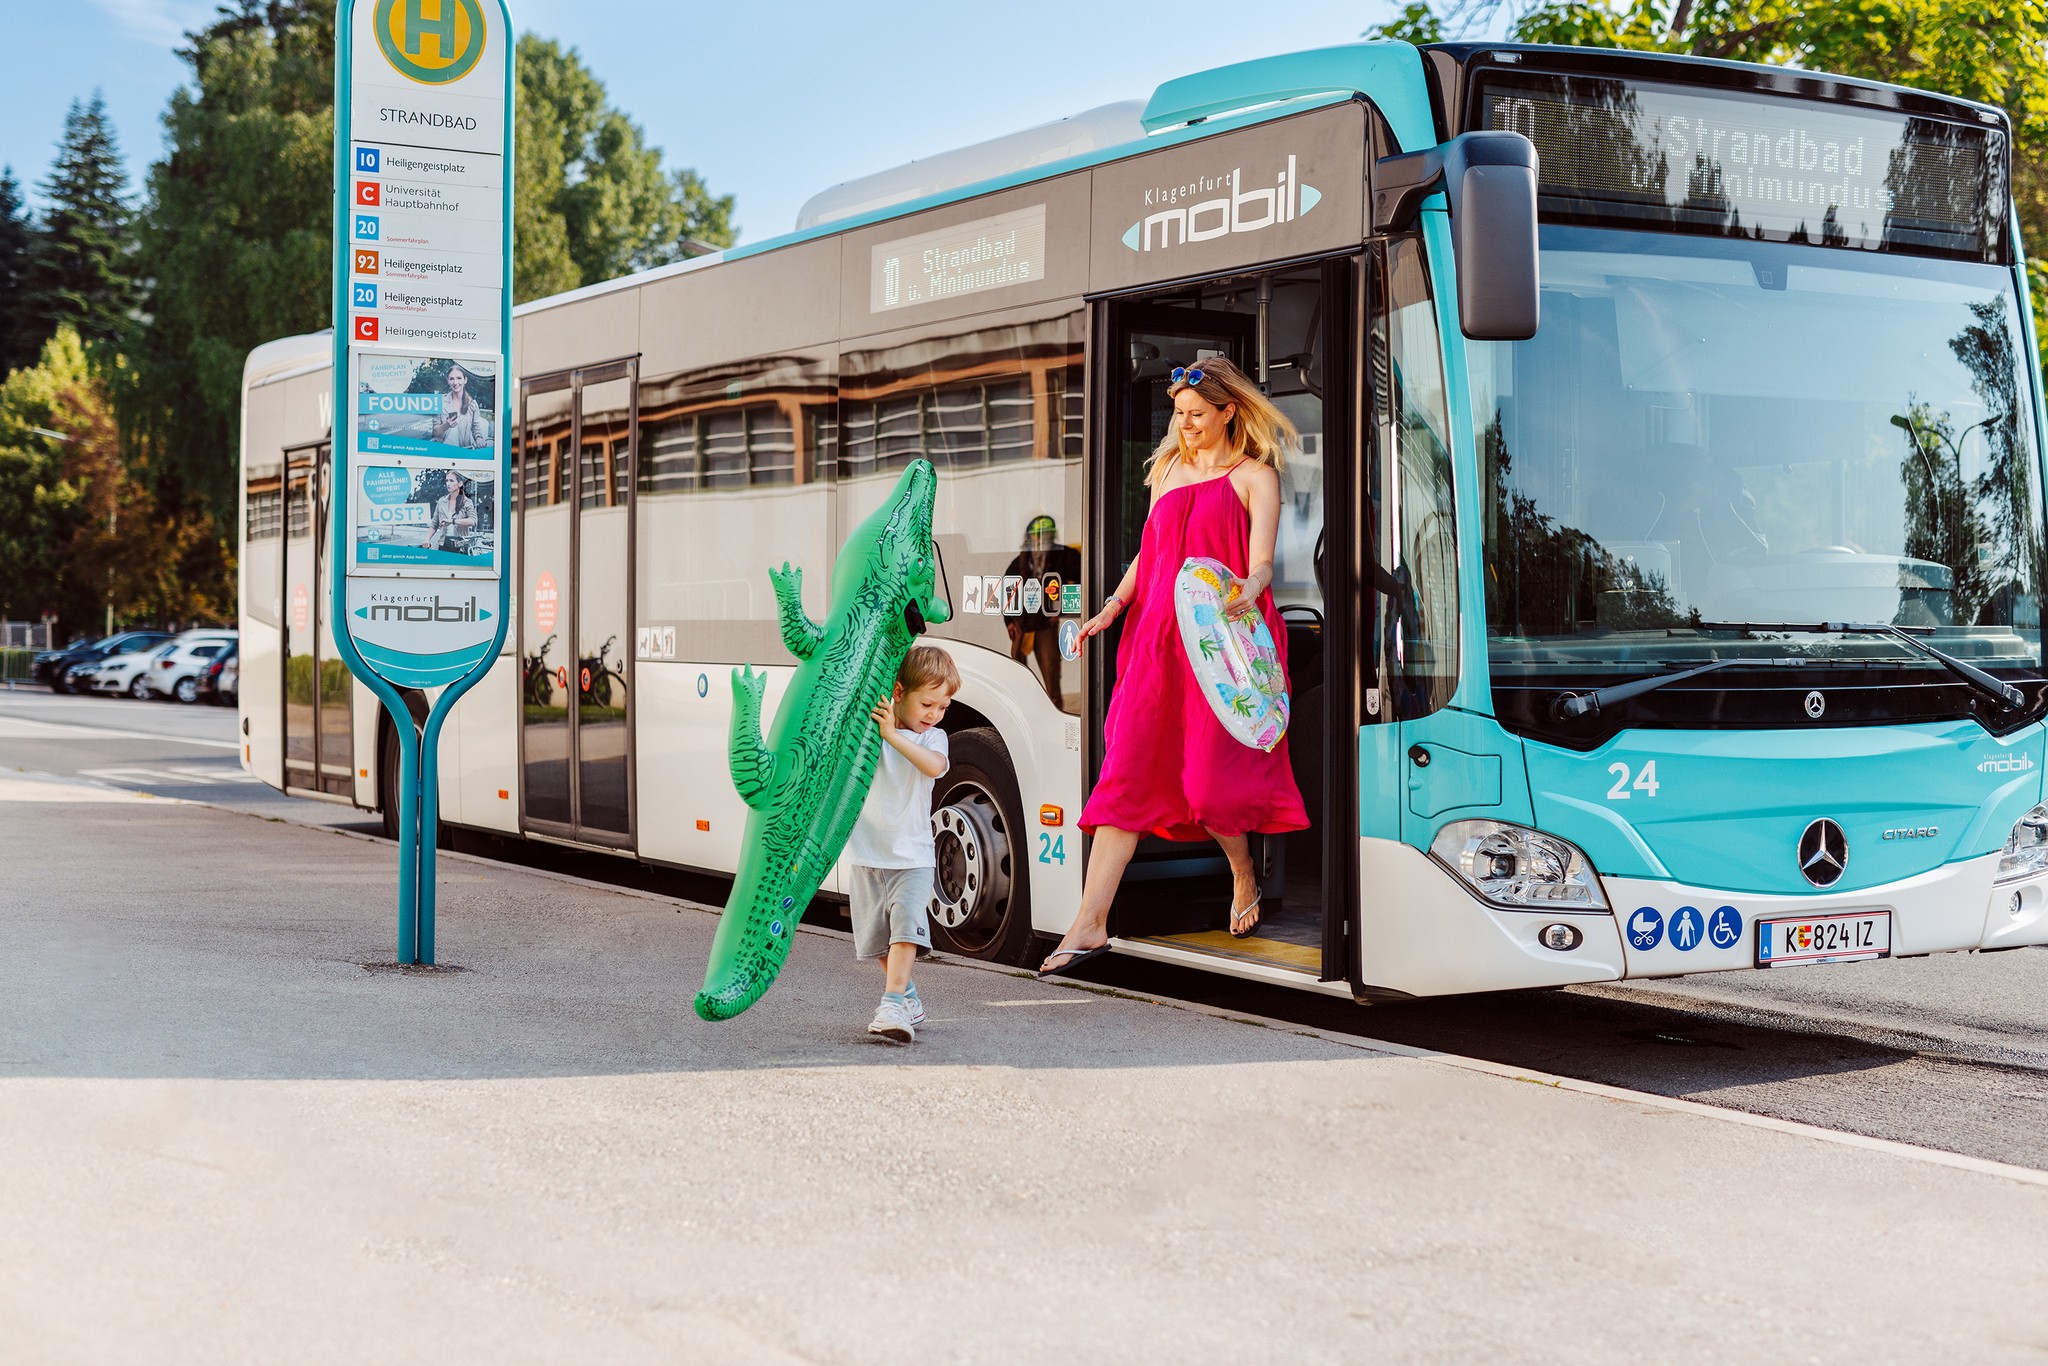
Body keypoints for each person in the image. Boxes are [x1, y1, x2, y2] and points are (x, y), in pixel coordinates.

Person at [1040, 355, 1307, 975]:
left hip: (1221, 645)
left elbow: (1262, 563)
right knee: (1125, 777)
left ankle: (1242, 869)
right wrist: (1112, 607)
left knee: (1208, 786)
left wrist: (1251, 585)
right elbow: (1148, 553)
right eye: (1179, 414)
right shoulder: (1166, 471)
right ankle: (1090, 924)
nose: (1184, 425)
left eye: (1196, 415)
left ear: (1228, 412)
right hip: (1156, 640)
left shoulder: (1255, 476)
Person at [851, 644, 960, 1042]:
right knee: (877, 943)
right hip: (866, 856)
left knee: (904, 934)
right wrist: (885, 731)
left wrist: (892, 736)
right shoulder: (873, 728)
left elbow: (934, 767)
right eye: (927, 704)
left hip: (913, 859)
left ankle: (892, 1004)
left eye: (942, 707)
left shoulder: (933, 739)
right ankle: (908, 998)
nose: (934, 714)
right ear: (898, 692)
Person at [1003, 513, 1083, 705]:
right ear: (1029, 537)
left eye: (1046, 535)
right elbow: (1009, 588)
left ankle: (1055, 710)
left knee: (1051, 675)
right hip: (1022, 623)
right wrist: (1009, 621)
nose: (1041, 539)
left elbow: (1082, 580)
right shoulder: (1020, 561)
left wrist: (1059, 609)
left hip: (1046, 623)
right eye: (1038, 535)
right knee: (1017, 673)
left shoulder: (1064, 556)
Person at [429, 361, 492, 450]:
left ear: (465, 380)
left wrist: (479, 438)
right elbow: (435, 432)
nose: (455, 382)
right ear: (448, 381)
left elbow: (476, 428)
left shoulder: (472, 404)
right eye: (452, 379)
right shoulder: (440, 402)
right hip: (442, 451)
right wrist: (447, 425)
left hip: (463, 451)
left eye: (459, 378)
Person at [427, 468, 477, 551]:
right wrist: (427, 539)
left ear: (460, 483)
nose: (448, 483)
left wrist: (452, 521)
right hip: (443, 545)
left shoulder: (467, 502)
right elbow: (434, 524)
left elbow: (473, 521)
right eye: (447, 481)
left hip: (461, 546)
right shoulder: (441, 501)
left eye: (451, 481)